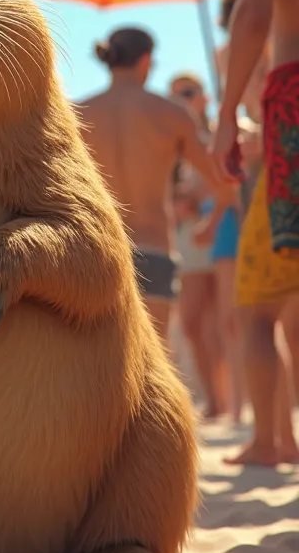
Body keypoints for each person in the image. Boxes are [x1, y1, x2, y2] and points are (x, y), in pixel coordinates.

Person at [212, 0, 299, 465]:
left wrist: (224, 114)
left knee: (269, 297)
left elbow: (256, 15)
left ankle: (272, 440)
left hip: (295, 100)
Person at [77, 28, 233, 342]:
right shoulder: (171, 113)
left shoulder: (78, 114)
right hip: (154, 249)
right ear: (146, 60)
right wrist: (211, 223)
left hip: (98, 251)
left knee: (102, 368)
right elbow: (223, 183)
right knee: (153, 365)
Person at [168, 74, 228, 419]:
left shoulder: (215, 136)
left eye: (188, 93)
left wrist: (201, 198)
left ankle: (225, 401)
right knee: (192, 322)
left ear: (203, 97)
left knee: (221, 323)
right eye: (176, 95)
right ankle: (216, 399)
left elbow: (228, 185)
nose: (182, 100)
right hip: (188, 239)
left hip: (220, 231)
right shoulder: (172, 141)